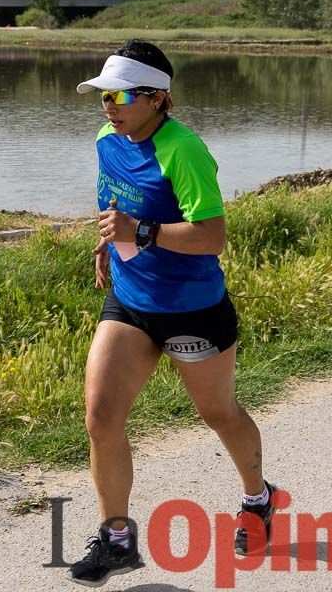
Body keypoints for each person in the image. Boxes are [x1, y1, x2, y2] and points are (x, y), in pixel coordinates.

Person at [67, 39, 277, 587]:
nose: (108, 106)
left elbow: (213, 237)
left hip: (192, 309)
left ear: (158, 98)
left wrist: (144, 232)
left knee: (220, 414)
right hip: (133, 304)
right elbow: (114, 200)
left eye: (119, 95)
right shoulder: (106, 141)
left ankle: (258, 499)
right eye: (102, 95)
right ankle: (116, 537)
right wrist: (108, 245)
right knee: (101, 415)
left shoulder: (183, 150)